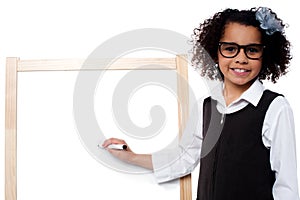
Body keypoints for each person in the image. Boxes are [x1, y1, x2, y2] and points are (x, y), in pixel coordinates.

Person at [102, 7, 299, 200]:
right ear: (215, 53)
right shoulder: (205, 107)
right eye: (230, 49)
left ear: (265, 55)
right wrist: (132, 157)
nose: (241, 59)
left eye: (252, 50)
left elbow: (286, 187)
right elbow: (184, 159)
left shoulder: (275, 108)